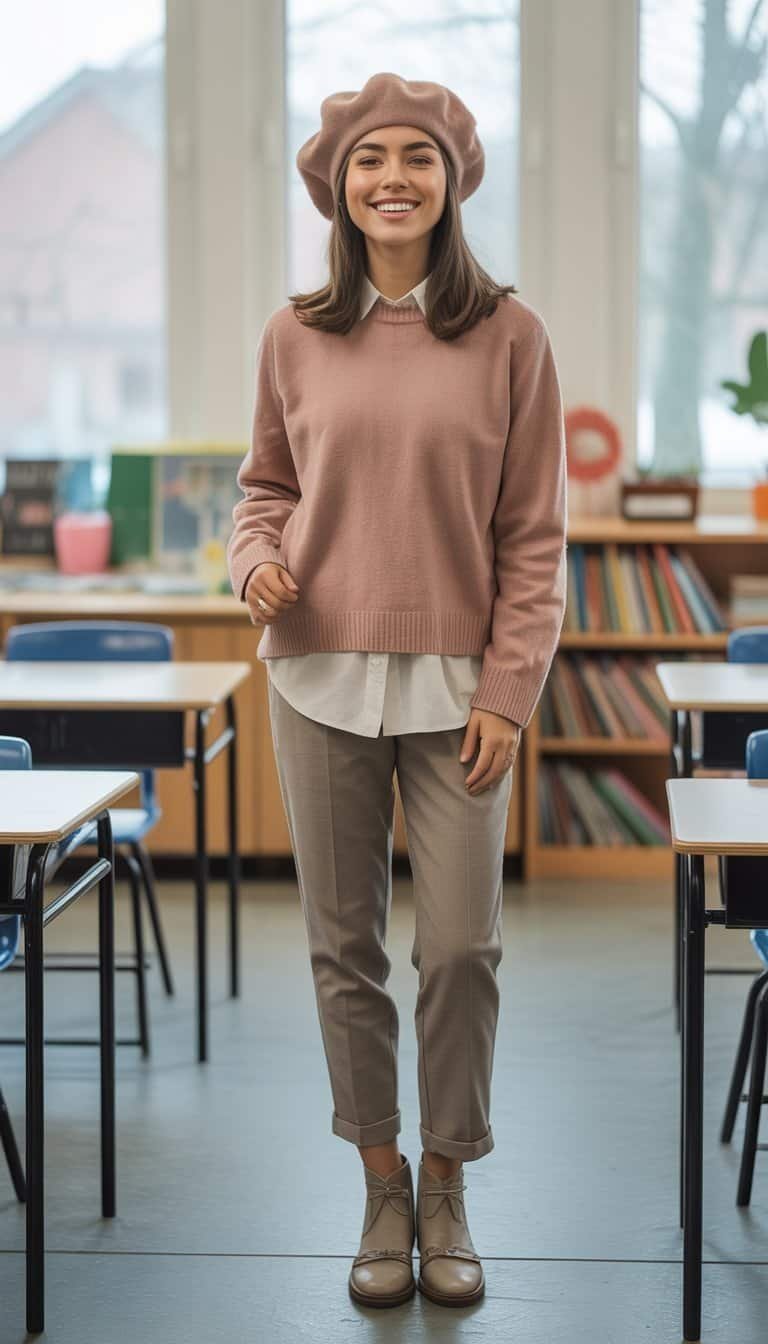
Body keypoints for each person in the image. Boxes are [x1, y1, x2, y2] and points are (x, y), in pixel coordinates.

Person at [227, 71, 568, 1310]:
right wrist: (257, 560)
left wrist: (510, 691)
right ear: (337, 183)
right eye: (370, 158)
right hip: (316, 671)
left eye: (417, 157)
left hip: (461, 689)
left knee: (462, 947)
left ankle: (448, 1186)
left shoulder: (511, 336)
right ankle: (378, 1182)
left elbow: (534, 539)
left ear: (452, 179)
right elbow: (263, 491)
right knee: (343, 948)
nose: (392, 179)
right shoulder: (293, 333)